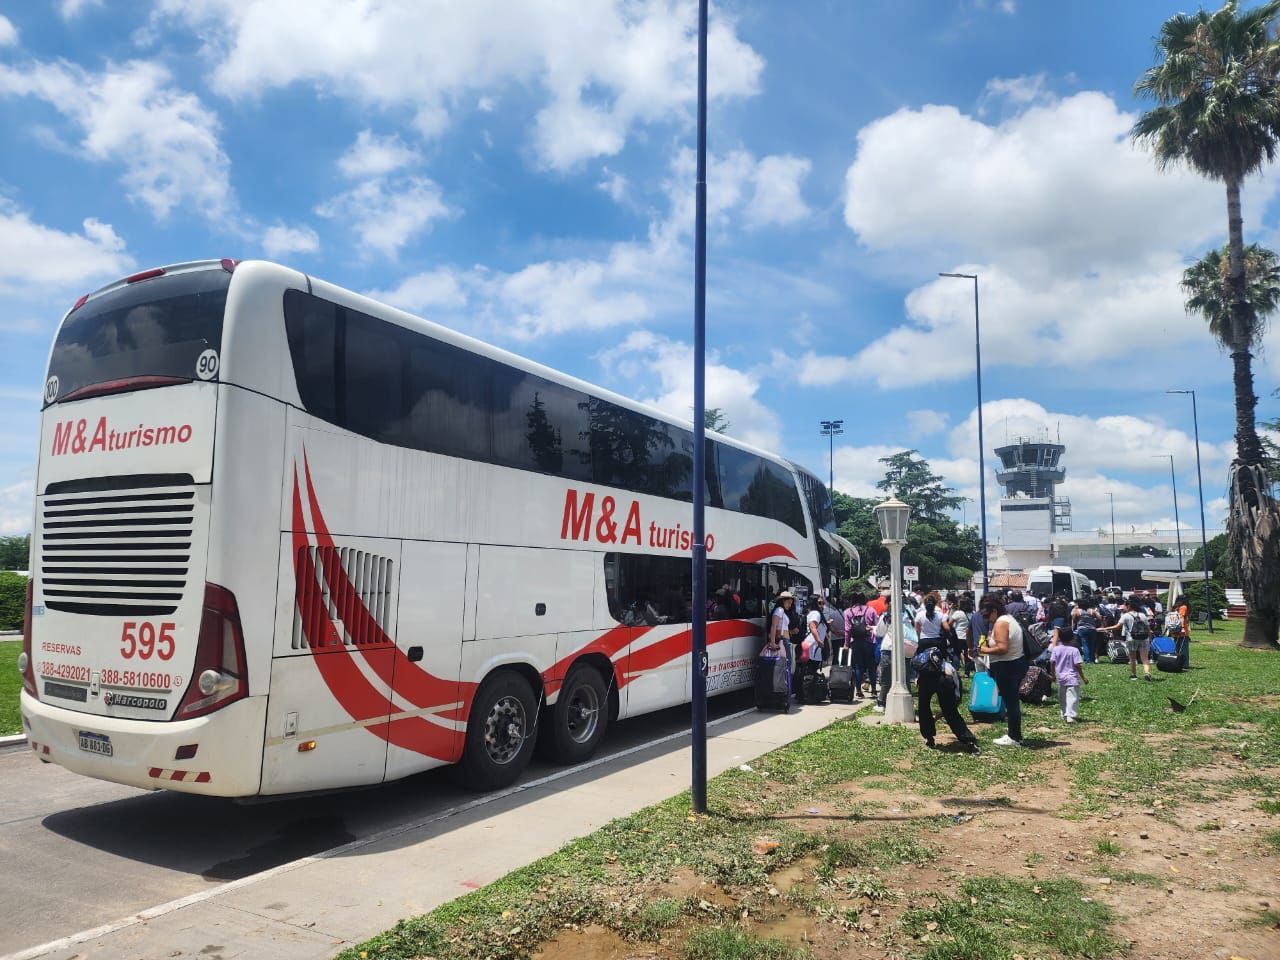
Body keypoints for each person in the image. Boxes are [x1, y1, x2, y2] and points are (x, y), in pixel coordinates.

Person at [914, 607, 980, 754]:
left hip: (926, 675)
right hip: (943, 675)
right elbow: (953, 649)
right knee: (950, 710)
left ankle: (929, 737)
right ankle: (967, 740)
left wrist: (918, 676)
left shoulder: (922, 639)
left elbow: (919, 660)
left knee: (924, 707)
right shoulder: (943, 637)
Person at [978, 593, 1029, 747]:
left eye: (986, 615)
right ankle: (1015, 734)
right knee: (1012, 702)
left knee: (1011, 703)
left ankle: (1014, 736)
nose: (986, 619)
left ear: (994, 611)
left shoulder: (1001, 623)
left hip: (1007, 666)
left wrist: (984, 650)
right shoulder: (1009, 619)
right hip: (1015, 664)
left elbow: (1002, 648)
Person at [1102, 598, 1153, 681]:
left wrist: (1104, 628)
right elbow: (1148, 629)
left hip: (1131, 638)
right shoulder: (1143, 615)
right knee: (1144, 658)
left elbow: (1117, 627)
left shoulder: (1125, 615)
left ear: (1129, 606)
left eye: (1125, 605)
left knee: (1132, 658)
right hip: (1144, 638)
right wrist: (1149, 639)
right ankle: (1147, 672)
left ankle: (1133, 675)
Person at [843, 591, 876, 701]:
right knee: (871, 667)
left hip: (855, 642)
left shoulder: (848, 612)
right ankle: (874, 689)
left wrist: (846, 644)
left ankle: (858, 691)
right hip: (869, 642)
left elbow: (847, 630)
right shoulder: (870, 610)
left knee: (858, 667)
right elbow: (876, 625)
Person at [1048, 629, 1086, 723]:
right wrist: (1083, 677)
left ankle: (1064, 713)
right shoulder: (1074, 650)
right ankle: (1070, 715)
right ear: (1072, 638)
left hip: (1060, 678)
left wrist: (1053, 675)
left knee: (1062, 698)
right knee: (1072, 698)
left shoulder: (1056, 649)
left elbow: (1052, 662)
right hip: (1072, 678)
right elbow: (1078, 665)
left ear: (1060, 638)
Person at [768, 591, 796, 676]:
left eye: (791, 603)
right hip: (783, 640)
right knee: (786, 664)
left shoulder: (781, 611)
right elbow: (774, 626)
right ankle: (785, 683)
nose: (790, 605)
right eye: (788, 602)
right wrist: (772, 642)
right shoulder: (780, 610)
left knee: (786, 664)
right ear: (783, 601)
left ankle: (785, 683)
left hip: (784, 640)